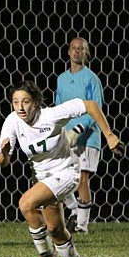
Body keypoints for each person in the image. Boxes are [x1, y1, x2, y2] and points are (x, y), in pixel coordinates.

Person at [0, 80, 124, 257]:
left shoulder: (51, 115)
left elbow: (90, 105)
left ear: (36, 102)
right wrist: (3, 153)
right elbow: (2, 162)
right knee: (55, 229)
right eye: (15, 102)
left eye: (26, 102)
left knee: (26, 203)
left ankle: (47, 255)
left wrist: (109, 135)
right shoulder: (12, 122)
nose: (20, 107)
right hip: (43, 179)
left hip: (67, 172)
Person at [55, 37, 105, 234]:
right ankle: (75, 211)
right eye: (74, 48)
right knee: (57, 174)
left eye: (81, 49)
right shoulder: (61, 79)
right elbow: (59, 107)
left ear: (86, 53)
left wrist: (78, 129)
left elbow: (96, 109)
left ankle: (81, 226)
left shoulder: (91, 79)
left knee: (82, 177)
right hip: (67, 135)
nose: (77, 52)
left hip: (88, 136)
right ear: (68, 52)